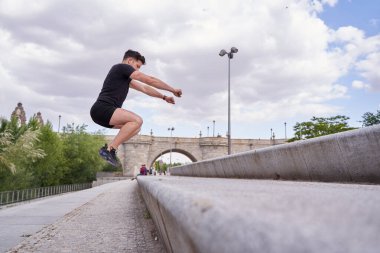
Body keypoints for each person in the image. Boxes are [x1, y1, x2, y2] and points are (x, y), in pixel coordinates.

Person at [90, 50, 182, 166]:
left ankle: (110, 149)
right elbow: (150, 80)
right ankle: (110, 149)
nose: (137, 70)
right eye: (137, 66)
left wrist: (164, 97)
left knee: (136, 128)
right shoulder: (121, 67)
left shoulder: (124, 77)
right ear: (129, 60)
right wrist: (172, 90)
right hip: (102, 109)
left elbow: (145, 88)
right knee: (137, 120)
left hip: (103, 114)